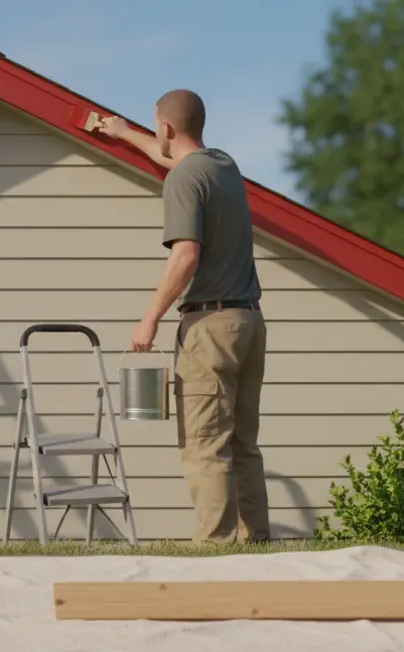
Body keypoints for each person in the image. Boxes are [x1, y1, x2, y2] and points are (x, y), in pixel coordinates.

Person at [91, 90, 270, 544]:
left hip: (209, 329)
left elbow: (186, 255)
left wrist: (149, 317)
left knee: (204, 444)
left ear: (167, 127)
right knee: (243, 446)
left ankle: (215, 548)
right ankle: (257, 546)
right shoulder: (222, 165)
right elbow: (174, 158)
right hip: (248, 321)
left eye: (155, 125)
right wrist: (124, 132)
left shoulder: (184, 181)